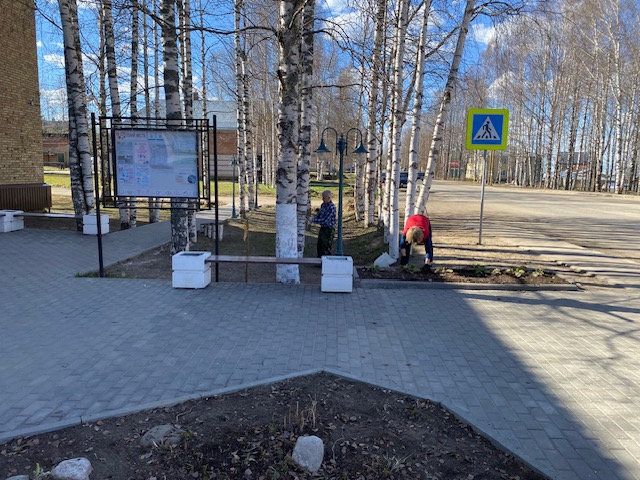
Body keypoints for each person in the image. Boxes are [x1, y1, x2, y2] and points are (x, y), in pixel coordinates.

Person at [310, 190, 336, 257]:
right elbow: (319, 215)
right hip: (323, 228)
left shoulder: (331, 207)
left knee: (326, 247)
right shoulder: (323, 205)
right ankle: (319, 260)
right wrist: (313, 218)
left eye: (324, 197)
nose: (322, 199)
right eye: (322, 197)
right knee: (320, 245)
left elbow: (325, 220)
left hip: (329, 229)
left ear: (329, 197)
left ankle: (326, 261)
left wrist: (313, 220)